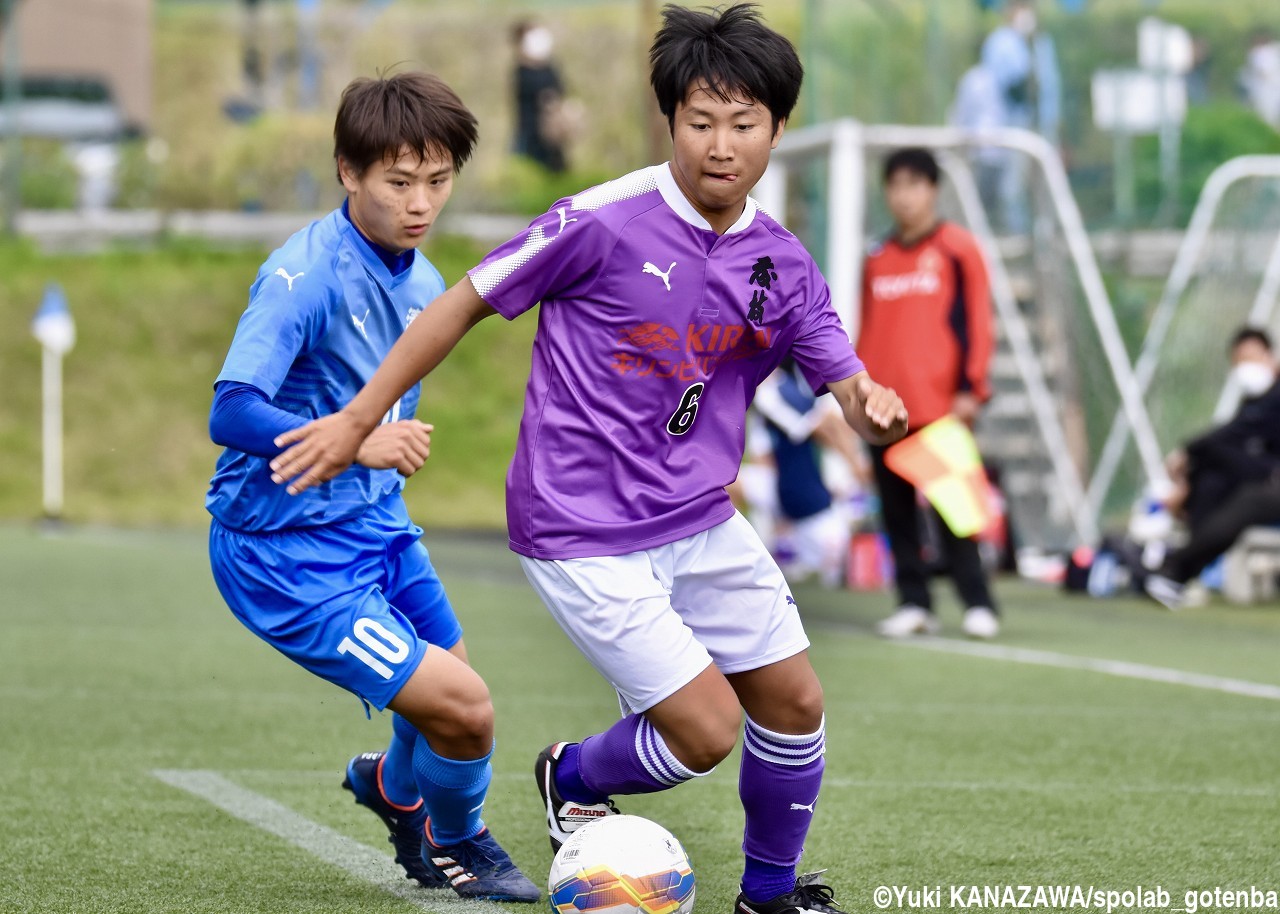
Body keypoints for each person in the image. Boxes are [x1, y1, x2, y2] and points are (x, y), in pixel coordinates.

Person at [268, 6, 909, 913]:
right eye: (700, 121)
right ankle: (570, 775)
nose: (721, 145)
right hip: (580, 526)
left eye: (744, 123)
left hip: (697, 515)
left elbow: (844, 379)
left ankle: (768, 897)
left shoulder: (782, 262)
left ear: (777, 128)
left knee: (796, 704)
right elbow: (458, 305)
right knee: (706, 730)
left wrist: (871, 407)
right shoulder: (602, 219)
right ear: (668, 121)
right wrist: (355, 419)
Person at [204, 72, 539, 902]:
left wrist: (370, 460)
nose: (420, 203)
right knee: (466, 709)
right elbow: (232, 409)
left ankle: (393, 792)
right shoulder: (303, 278)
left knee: (443, 698)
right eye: (398, 182)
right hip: (282, 554)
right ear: (348, 172)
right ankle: (458, 841)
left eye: (437, 181)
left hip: (375, 532)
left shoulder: (424, 282)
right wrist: (363, 442)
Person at [857, 147, 1000, 640]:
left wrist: (971, 389)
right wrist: (859, 395)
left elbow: (978, 322)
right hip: (883, 409)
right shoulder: (876, 258)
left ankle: (978, 603)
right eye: (895, 186)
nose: (904, 196)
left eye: (914, 185)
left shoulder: (958, 249)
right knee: (895, 513)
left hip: (940, 406)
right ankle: (914, 602)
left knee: (954, 510)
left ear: (933, 190)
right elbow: (869, 330)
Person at [1145, 327, 1280, 609]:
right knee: (1211, 479)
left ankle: (1175, 568)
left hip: (1269, 486)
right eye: (1241, 361)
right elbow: (1231, 437)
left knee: (1248, 497)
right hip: (1265, 478)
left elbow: (1233, 434)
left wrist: (1189, 451)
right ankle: (1177, 578)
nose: (1247, 368)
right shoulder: (1255, 399)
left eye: (1252, 359)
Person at [977, 0, 1061, 233]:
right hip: (1014, 123)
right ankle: (1017, 231)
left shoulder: (1042, 43)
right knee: (1013, 183)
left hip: (1043, 123)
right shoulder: (999, 42)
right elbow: (1000, 87)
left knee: (1045, 184)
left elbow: (1051, 88)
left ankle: (1045, 234)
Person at [511, 20, 570, 173]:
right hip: (530, 132)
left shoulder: (548, 68)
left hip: (549, 131)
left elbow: (559, 89)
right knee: (527, 169)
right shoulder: (522, 71)